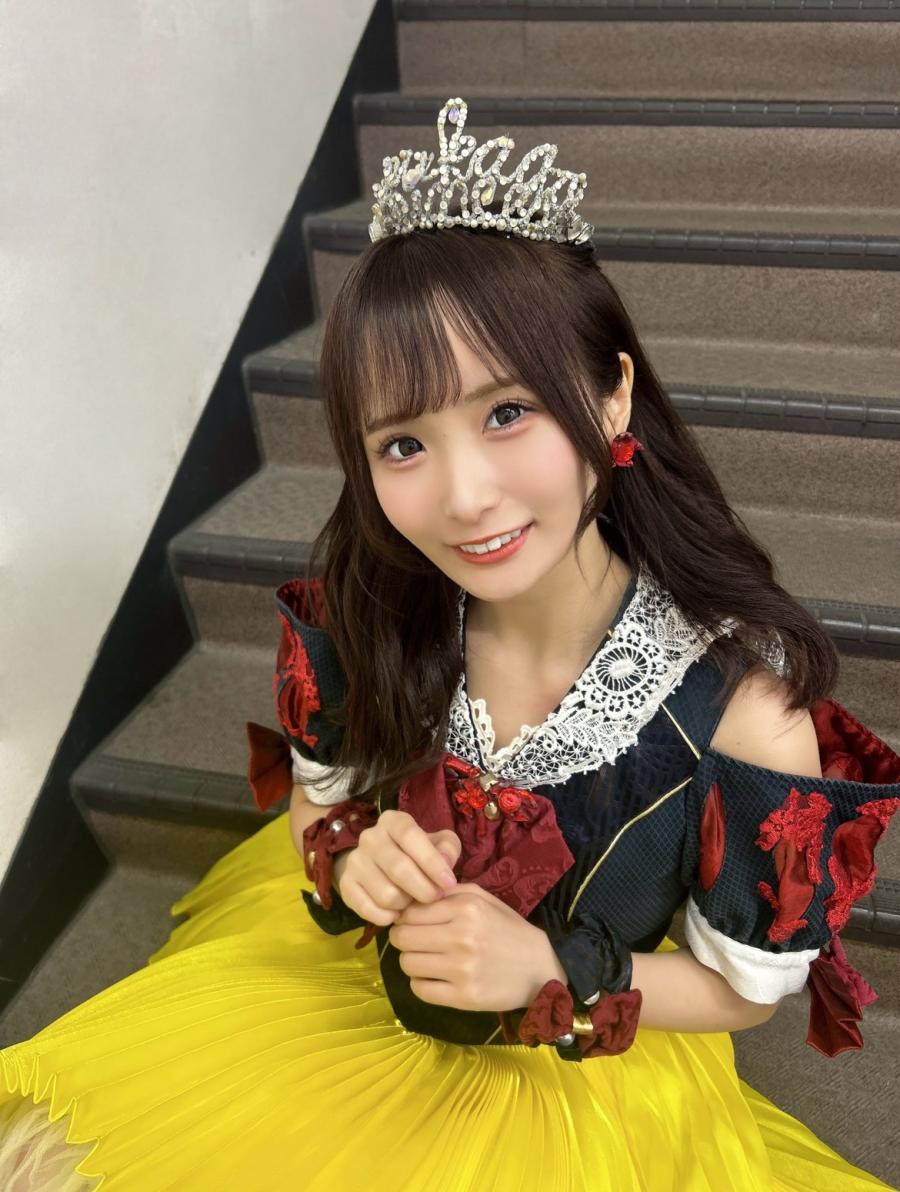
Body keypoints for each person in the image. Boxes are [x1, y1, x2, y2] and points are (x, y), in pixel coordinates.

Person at [1, 95, 899, 1191]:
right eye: (403, 443)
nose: (465, 497)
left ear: (613, 397)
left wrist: (548, 962)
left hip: (571, 1081)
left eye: (507, 411)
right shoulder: (380, 607)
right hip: (351, 996)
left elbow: (745, 990)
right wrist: (349, 854)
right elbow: (319, 800)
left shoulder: (743, 712)